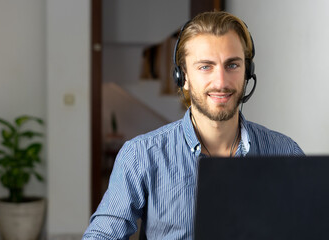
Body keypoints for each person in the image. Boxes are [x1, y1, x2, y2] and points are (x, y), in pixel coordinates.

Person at [82, 11, 304, 240]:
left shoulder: (286, 153)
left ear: (247, 72)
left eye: (232, 65)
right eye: (205, 66)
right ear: (183, 77)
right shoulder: (140, 156)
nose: (221, 82)